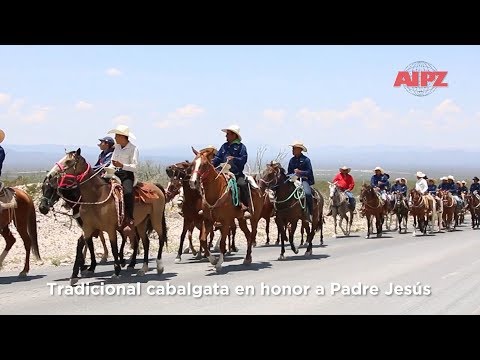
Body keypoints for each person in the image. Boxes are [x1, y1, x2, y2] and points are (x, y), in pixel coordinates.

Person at [211, 125, 250, 218]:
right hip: (222, 172)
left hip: (236, 173)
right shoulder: (224, 146)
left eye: (228, 134)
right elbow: (218, 158)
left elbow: (243, 159)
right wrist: (211, 163)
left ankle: (245, 206)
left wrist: (234, 159)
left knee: (242, 184)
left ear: (234, 135)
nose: (226, 136)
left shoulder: (241, 147)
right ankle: (209, 205)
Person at [107, 124, 139, 231]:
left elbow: (135, 167)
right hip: (115, 173)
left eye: (116, 135)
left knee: (128, 192)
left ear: (122, 136)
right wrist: (108, 170)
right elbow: (112, 162)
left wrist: (122, 165)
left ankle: (129, 217)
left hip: (127, 174)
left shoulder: (134, 149)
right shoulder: (116, 148)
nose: (115, 138)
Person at [287, 141, 315, 222]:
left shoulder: (306, 160)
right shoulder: (291, 160)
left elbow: (309, 172)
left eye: (294, 148)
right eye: (292, 148)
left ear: (299, 150)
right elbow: (289, 172)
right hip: (293, 180)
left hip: (304, 180)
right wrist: (290, 175)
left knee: (307, 193)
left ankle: (310, 213)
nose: (292, 150)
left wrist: (300, 172)